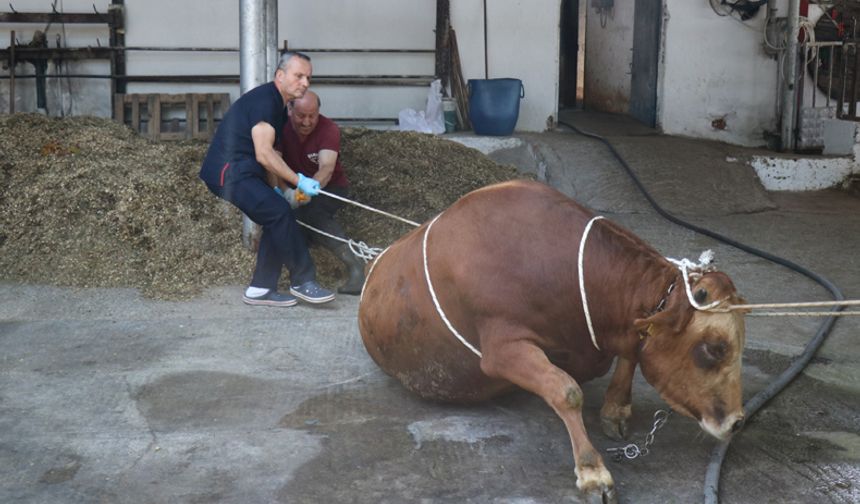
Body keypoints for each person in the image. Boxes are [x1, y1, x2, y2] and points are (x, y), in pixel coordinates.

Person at [199, 51, 335, 307]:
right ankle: (303, 281)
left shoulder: (278, 106)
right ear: (280, 76)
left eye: (308, 77)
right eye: (299, 76)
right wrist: (299, 181)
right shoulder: (266, 102)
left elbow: (272, 155)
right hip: (230, 172)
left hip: (242, 172)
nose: (305, 83)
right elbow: (263, 154)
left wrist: (280, 190)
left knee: (277, 214)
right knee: (280, 214)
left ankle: (261, 288)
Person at [279, 90, 365, 295]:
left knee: (313, 212)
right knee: (288, 215)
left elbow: (326, 168)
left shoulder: (329, 129)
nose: (307, 122)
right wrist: (286, 192)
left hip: (331, 187)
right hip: (291, 185)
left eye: (312, 116)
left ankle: (356, 265)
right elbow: (274, 165)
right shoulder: (279, 128)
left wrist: (309, 190)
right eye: (301, 116)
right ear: (290, 110)